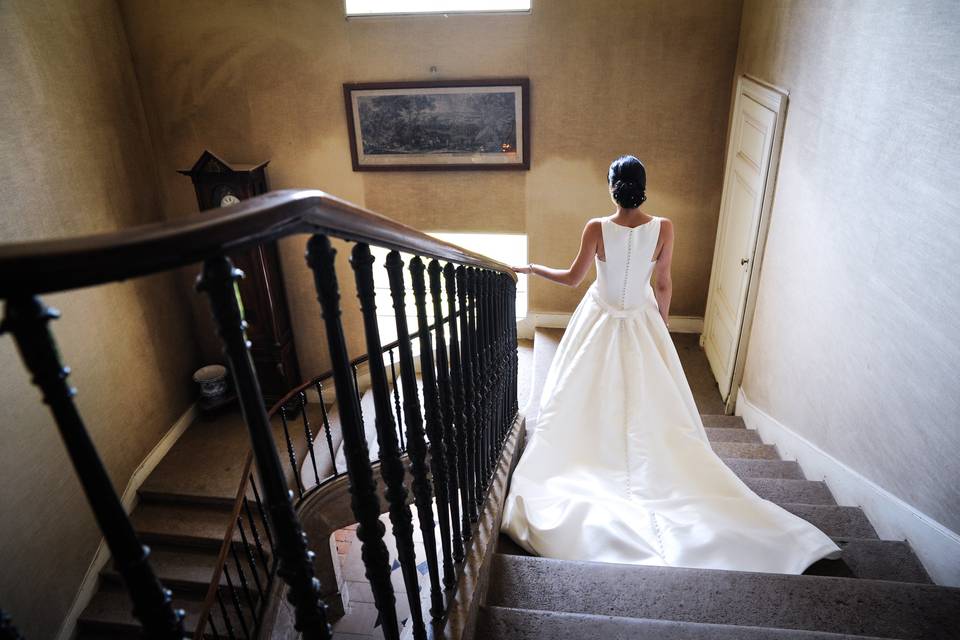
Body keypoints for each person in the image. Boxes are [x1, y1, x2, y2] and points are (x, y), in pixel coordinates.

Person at [502, 155, 841, 573]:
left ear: (613, 187)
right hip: (641, 318)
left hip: (600, 317)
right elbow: (663, 282)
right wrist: (659, 324)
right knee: (652, 399)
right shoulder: (664, 227)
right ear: (643, 186)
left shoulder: (596, 228)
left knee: (582, 395)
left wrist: (531, 268)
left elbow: (575, 279)